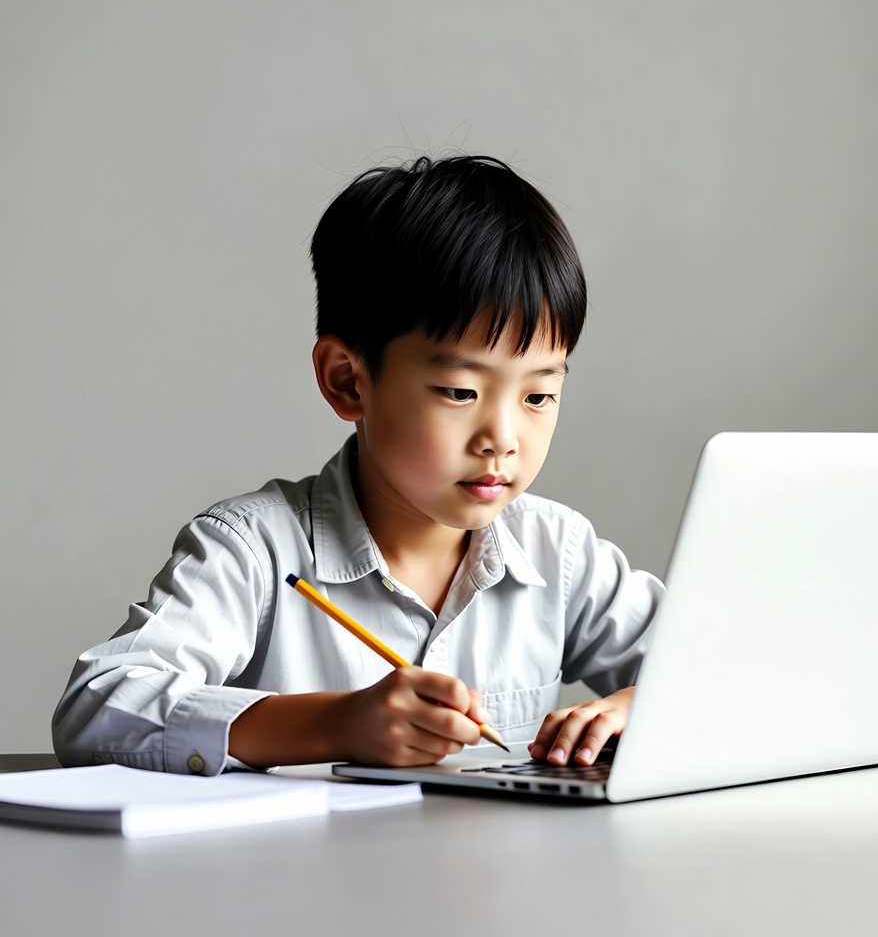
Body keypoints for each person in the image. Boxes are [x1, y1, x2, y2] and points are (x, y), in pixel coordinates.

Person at [52, 155, 662, 776]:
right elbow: (96, 708)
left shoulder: (560, 554)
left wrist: (643, 706)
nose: (502, 439)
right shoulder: (255, 551)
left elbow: (741, 667)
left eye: (538, 396)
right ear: (348, 381)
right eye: (458, 392)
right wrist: (332, 725)